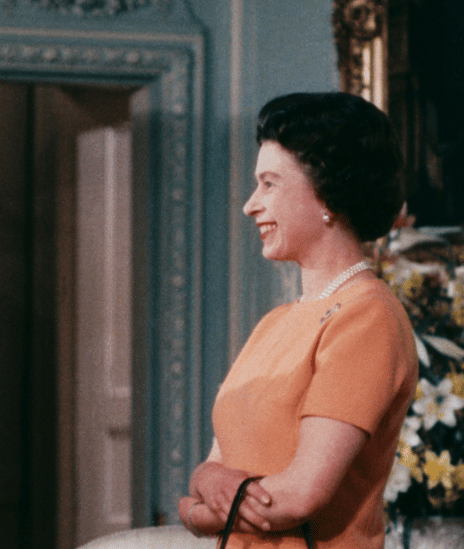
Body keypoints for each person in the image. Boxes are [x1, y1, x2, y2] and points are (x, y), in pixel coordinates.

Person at [179, 92, 417, 548]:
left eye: (269, 184)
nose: (250, 205)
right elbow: (216, 463)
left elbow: (296, 498)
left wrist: (194, 508)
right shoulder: (274, 323)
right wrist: (206, 477)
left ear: (328, 193)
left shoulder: (369, 318)